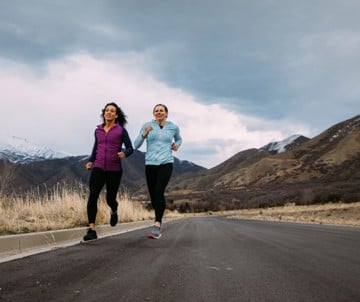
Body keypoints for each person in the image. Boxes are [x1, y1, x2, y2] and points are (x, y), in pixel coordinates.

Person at [83, 102, 133, 241]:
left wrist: (124, 153)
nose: (109, 112)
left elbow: (130, 148)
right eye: (107, 110)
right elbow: (95, 148)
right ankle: (91, 230)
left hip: (114, 170)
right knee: (93, 195)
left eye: (112, 111)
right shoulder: (97, 130)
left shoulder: (121, 130)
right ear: (104, 113)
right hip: (98, 167)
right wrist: (91, 161)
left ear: (116, 115)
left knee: (110, 199)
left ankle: (114, 209)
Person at [134, 104, 182, 239]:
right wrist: (145, 133)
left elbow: (179, 138)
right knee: (153, 195)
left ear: (166, 113)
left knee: (159, 190)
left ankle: (157, 224)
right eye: (156, 111)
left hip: (166, 163)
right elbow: (136, 144)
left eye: (161, 110)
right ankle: (159, 214)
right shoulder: (147, 125)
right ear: (153, 113)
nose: (159, 112)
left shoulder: (173, 127)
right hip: (150, 164)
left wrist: (176, 145)